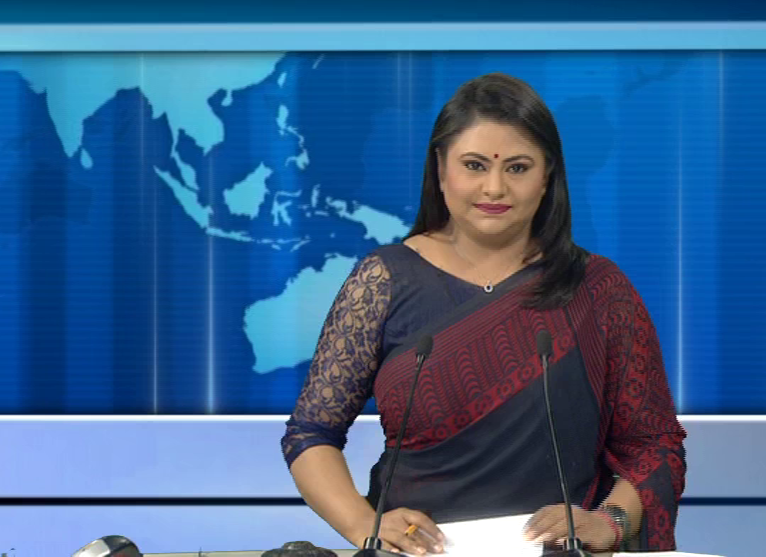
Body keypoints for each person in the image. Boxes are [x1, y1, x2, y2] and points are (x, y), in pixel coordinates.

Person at [281, 73, 686, 555]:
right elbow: (311, 433)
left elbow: (655, 446)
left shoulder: (597, 289)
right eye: (474, 165)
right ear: (440, 169)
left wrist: (611, 521)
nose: (495, 188)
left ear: (547, 176)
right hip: (418, 553)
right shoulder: (382, 280)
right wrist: (363, 524)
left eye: (518, 168)